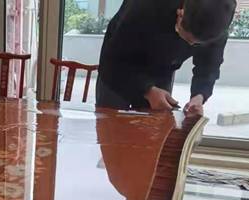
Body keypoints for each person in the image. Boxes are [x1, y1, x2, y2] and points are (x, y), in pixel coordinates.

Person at [96, 0, 236, 115]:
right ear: (180, 13)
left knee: (155, 129)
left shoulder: (219, 18)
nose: (190, 46)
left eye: (197, 44)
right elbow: (111, 62)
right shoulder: (144, 5)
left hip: (162, 70)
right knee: (111, 125)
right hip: (119, 67)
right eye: (185, 38)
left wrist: (199, 96)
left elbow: (209, 65)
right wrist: (147, 90)